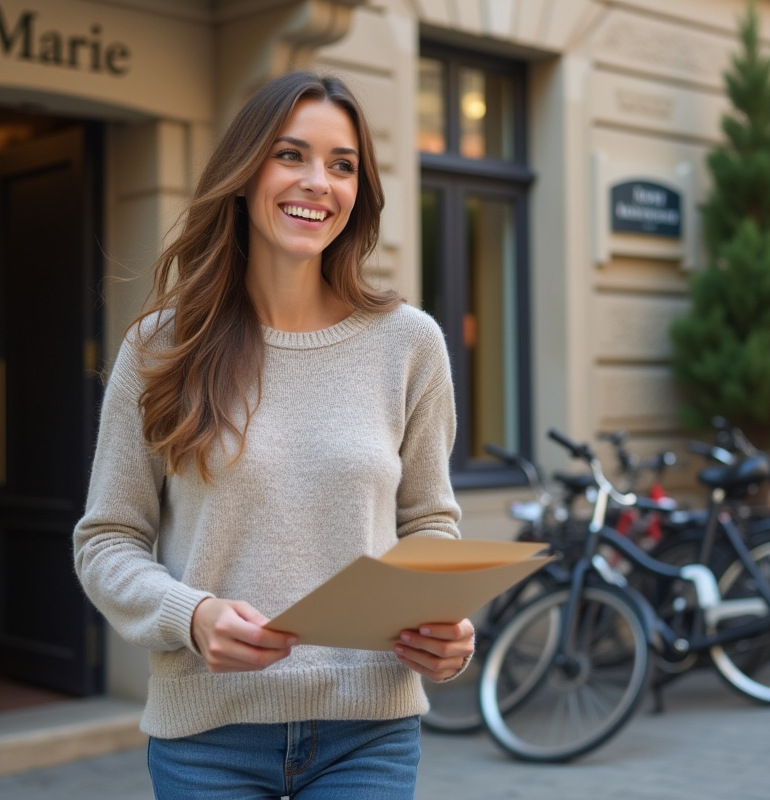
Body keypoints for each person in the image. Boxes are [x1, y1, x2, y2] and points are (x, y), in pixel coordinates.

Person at [73, 71, 474, 799]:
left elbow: (429, 524)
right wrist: (191, 616)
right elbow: (106, 540)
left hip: (369, 732)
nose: (318, 182)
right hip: (209, 741)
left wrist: (438, 623)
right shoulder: (160, 349)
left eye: (342, 164)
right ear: (243, 171)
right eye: (291, 155)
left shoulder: (409, 345)